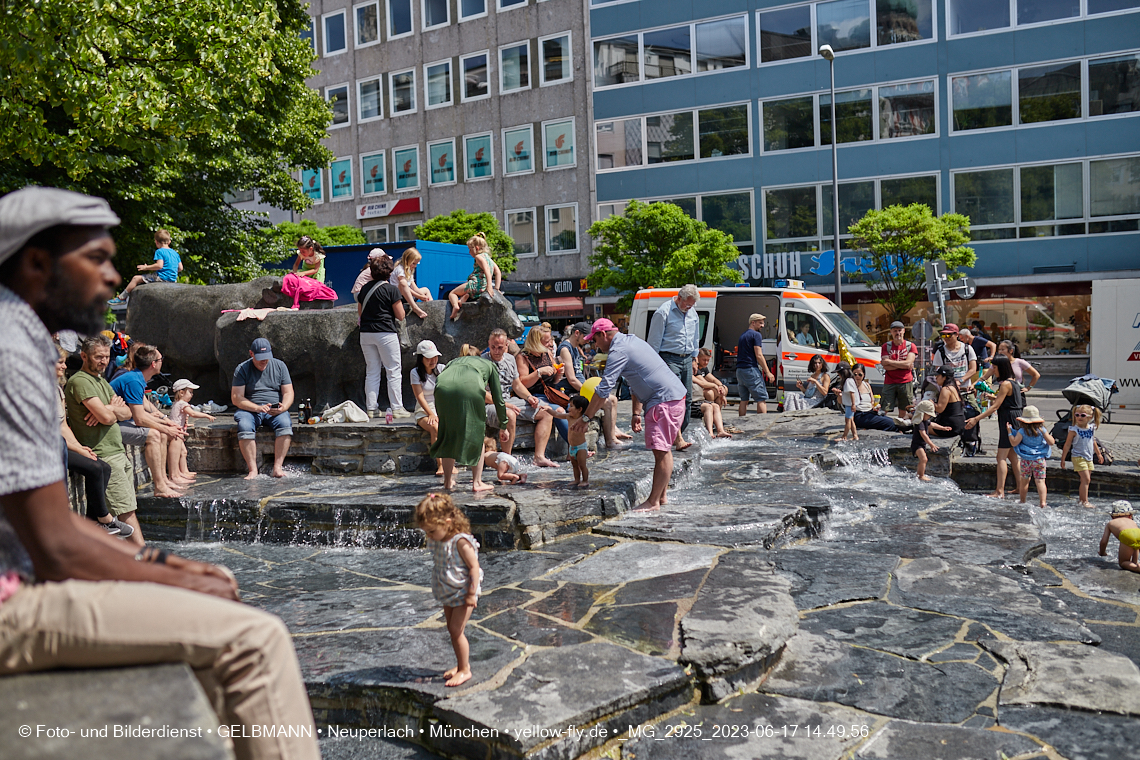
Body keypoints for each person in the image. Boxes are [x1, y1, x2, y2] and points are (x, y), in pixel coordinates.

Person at [0, 185, 320, 760]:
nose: (112, 276)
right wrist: (173, 575)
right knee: (257, 638)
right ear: (36, 264)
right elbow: (54, 544)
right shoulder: (12, 349)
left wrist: (163, 564)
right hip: (11, 606)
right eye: (95, 258)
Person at [574, 319, 688, 510]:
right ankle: (661, 497)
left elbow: (603, 389)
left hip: (663, 402)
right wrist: (636, 413)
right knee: (663, 451)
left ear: (604, 335)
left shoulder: (618, 351)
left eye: (594, 340)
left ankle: (653, 502)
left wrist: (586, 418)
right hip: (669, 398)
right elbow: (637, 381)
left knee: (662, 453)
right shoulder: (631, 340)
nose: (594, 346)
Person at [65, 335, 146, 544]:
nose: (103, 361)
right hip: (104, 454)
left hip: (117, 451)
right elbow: (107, 418)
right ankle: (146, 560)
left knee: (123, 511)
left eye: (106, 357)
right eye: (98, 357)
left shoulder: (100, 380)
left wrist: (110, 408)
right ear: (84, 356)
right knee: (126, 512)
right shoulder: (81, 381)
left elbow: (127, 412)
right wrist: (111, 410)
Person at [55, 347, 131, 537]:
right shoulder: (76, 382)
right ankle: (104, 519)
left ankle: (92, 523)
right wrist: (111, 411)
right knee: (96, 469)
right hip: (51, 447)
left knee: (103, 468)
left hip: (63, 444)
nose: (65, 366)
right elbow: (105, 418)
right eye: (60, 362)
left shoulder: (58, 389)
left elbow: (63, 425)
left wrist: (80, 448)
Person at [416, 493, 483, 686]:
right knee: (452, 630)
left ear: (447, 522)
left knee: (456, 630)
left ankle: (465, 670)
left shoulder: (461, 542)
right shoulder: (440, 539)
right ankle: (460, 664)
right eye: (426, 532)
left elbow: (474, 568)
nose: (429, 536)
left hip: (464, 591)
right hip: (448, 590)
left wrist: (471, 594)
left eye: (431, 531)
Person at [109, 343, 188, 496]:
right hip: (107, 424)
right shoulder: (133, 380)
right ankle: (159, 486)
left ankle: (164, 480)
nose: (162, 361)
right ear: (153, 364)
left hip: (118, 420)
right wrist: (166, 427)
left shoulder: (137, 378)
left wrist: (167, 423)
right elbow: (139, 419)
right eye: (160, 359)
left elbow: (144, 413)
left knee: (162, 433)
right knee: (154, 434)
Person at [429, 352, 511, 492]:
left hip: (442, 389)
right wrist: (503, 425)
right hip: (470, 388)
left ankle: (448, 482)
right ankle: (477, 482)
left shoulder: (453, 361)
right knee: (477, 432)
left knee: (448, 434)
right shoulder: (490, 365)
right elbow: (498, 399)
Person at [483, 329, 560, 467]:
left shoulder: (510, 359)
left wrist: (529, 397)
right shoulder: (482, 362)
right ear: (488, 343)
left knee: (546, 411)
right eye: (493, 346)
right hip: (490, 403)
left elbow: (517, 385)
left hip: (509, 399)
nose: (496, 350)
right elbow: (481, 393)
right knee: (510, 415)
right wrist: (505, 405)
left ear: (506, 345)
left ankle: (539, 457)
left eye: (500, 347)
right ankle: (506, 461)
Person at [557, 321, 632, 449]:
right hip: (572, 391)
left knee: (613, 399)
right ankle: (610, 440)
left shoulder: (575, 348)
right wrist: (591, 391)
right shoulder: (565, 349)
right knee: (607, 402)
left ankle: (613, 432)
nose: (588, 341)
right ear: (577, 333)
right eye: (585, 338)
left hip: (582, 388)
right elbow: (572, 379)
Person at [231, 337, 294, 480]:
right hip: (250, 409)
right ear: (251, 354)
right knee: (244, 424)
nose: (264, 362)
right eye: (260, 358)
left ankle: (277, 467)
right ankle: (253, 470)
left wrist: (283, 407)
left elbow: (288, 392)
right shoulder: (242, 369)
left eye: (266, 358)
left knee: (285, 423)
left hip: (275, 409)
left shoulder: (280, 366)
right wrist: (257, 408)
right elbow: (236, 397)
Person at [647, 284, 700, 449]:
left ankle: (676, 434)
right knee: (673, 398)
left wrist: (694, 357)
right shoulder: (663, 312)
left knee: (688, 399)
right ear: (679, 298)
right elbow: (654, 341)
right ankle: (677, 439)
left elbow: (695, 336)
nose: (689, 307)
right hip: (668, 358)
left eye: (692, 304)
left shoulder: (693, 313)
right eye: (687, 304)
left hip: (686, 359)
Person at [356, 254, 409, 419]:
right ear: (389, 272)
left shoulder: (364, 289)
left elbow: (360, 312)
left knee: (372, 371)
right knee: (393, 370)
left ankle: (371, 408)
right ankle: (397, 408)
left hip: (366, 334)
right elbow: (400, 315)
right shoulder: (391, 290)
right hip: (385, 333)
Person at [965, 356, 1024, 499]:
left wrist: (976, 419)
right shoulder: (1013, 382)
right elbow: (1008, 401)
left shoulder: (1005, 385)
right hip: (1015, 418)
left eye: (995, 368)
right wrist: (992, 397)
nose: (993, 370)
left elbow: (995, 408)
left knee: (1001, 457)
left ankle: (999, 491)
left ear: (1001, 368)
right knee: (1013, 456)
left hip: (1008, 421)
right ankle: (1020, 486)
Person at [516, 327, 569, 444]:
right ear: (536, 342)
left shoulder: (547, 354)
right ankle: (575, 446)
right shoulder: (523, 357)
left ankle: (574, 450)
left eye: (550, 340)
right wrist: (538, 372)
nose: (550, 344)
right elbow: (523, 383)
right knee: (559, 411)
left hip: (551, 394)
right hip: (534, 396)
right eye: (546, 341)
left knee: (573, 407)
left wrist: (559, 374)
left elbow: (553, 381)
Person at [106, 228, 181, 304]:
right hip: (173, 280)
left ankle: (122, 298)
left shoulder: (160, 251)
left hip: (162, 278)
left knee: (135, 278)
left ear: (156, 242)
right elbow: (180, 268)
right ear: (169, 242)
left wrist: (146, 267)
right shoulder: (175, 253)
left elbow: (159, 265)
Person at [167, 379, 216, 484]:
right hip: (177, 432)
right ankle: (177, 473)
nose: (192, 395)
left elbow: (177, 417)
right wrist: (206, 415)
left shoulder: (177, 403)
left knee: (183, 452)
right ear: (181, 392)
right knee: (179, 452)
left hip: (178, 430)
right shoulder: (182, 404)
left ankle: (184, 471)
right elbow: (193, 414)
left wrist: (186, 424)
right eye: (190, 392)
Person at [1008, 405, 1055, 508]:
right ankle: (1043, 502)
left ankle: (1022, 500)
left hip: (1026, 460)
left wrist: (1009, 433)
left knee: (1024, 481)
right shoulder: (1042, 430)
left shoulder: (1022, 431)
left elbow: (1014, 442)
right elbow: (1051, 442)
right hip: (1039, 460)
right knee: (1040, 481)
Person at [411, 340, 446, 476]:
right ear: (421, 358)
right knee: (436, 428)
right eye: (429, 358)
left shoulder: (442, 368)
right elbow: (420, 396)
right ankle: (441, 464)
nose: (433, 360)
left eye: (435, 357)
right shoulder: (415, 373)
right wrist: (431, 414)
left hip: (441, 407)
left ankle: (451, 462)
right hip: (423, 410)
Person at [448, 232, 500, 321]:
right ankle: (462, 300)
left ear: (476, 248)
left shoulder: (478, 257)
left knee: (452, 293)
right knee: (466, 293)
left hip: (475, 285)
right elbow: (498, 272)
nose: (469, 252)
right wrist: (497, 288)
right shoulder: (489, 259)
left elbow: (486, 269)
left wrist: (489, 286)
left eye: (470, 249)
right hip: (483, 288)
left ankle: (455, 306)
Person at [1060, 403, 1104, 509]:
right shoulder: (1073, 430)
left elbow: (1093, 441)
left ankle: (1082, 499)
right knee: (1086, 479)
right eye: (1077, 415)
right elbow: (1067, 444)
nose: (1079, 417)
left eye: (1082, 415)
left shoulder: (1091, 428)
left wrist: (1098, 453)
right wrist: (1063, 458)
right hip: (1078, 456)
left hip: (1088, 457)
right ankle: (1085, 501)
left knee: (1086, 480)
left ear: (1090, 417)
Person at [737, 313, 775, 416]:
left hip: (740, 370)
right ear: (753, 323)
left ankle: (740, 423)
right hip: (751, 369)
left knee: (744, 400)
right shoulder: (756, 335)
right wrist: (768, 372)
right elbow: (759, 355)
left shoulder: (743, 336)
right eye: (760, 323)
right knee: (761, 399)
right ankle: (761, 425)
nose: (762, 326)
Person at [880, 321, 918, 419]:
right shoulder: (886, 346)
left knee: (904, 407)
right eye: (895, 331)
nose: (898, 333)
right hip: (890, 381)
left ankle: (901, 426)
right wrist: (904, 364)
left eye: (900, 330)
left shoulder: (910, 346)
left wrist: (890, 362)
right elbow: (885, 365)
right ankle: (884, 425)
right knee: (885, 406)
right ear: (891, 332)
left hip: (905, 381)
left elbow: (909, 363)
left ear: (904, 331)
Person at [849, 364, 899, 432]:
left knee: (895, 421)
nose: (857, 376)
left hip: (871, 413)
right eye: (855, 374)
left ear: (864, 375)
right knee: (891, 424)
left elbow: (872, 402)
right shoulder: (850, 386)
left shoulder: (866, 385)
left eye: (860, 374)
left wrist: (875, 407)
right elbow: (842, 401)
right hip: (860, 415)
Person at [911, 399, 950, 481]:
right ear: (922, 413)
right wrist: (931, 444)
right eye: (928, 415)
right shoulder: (919, 423)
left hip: (922, 444)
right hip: (917, 445)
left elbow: (932, 425)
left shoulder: (925, 421)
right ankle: (921, 476)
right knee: (924, 459)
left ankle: (919, 474)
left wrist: (943, 428)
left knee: (923, 459)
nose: (930, 417)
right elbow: (923, 434)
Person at [932, 324, 977, 393]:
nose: (946, 337)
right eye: (944, 335)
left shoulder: (967, 349)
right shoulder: (940, 352)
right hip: (949, 390)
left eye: (949, 335)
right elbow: (939, 373)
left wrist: (960, 381)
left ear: (957, 334)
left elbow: (973, 369)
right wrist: (951, 384)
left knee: (972, 404)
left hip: (966, 389)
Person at [1099, 501, 1140, 573]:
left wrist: (1102, 552)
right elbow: (1135, 546)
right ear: (1130, 516)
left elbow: (1104, 542)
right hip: (1138, 532)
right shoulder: (1133, 522)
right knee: (1135, 545)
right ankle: (1136, 565)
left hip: (1126, 534)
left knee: (1123, 562)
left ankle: (1137, 568)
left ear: (1112, 516)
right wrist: (1134, 562)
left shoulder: (1110, 523)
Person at [391, 247, 431, 319]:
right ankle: (414, 307)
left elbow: (414, 287)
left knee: (426, 290)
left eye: (416, 264)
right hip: (399, 296)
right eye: (413, 263)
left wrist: (422, 296)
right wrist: (418, 296)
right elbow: (405, 287)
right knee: (403, 283)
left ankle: (431, 306)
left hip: (407, 295)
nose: (415, 266)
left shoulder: (409, 270)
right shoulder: (400, 270)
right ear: (407, 261)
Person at [931, 366, 966, 439]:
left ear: (944, 377)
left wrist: (930, 403)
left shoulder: (946, 389)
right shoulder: (953, 387)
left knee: (921, 427)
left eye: (938, 375)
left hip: (950, 427)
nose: (935, 377)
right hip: (959, 424)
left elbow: (939, 409)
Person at [566, 395, 590, 487]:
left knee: (582, 465)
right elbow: (557, 415)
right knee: (574, 465)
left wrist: (585, 428)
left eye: (571, 406)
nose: (569, 408)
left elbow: (586, 426)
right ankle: (576, 479)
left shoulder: (583, 420)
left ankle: (585, 480)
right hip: (572, 447)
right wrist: (548, 410)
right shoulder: (569, 417)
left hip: (581, 447)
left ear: (579, 409)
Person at [837, 363, 858, 441]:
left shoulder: (848, 381)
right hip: (849, 403)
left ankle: (844, 436)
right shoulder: (850, 380)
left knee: (848, 420)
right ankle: (855, 435)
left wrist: (853, 404)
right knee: (851, 420)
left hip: (850, 404)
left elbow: (852, 393)